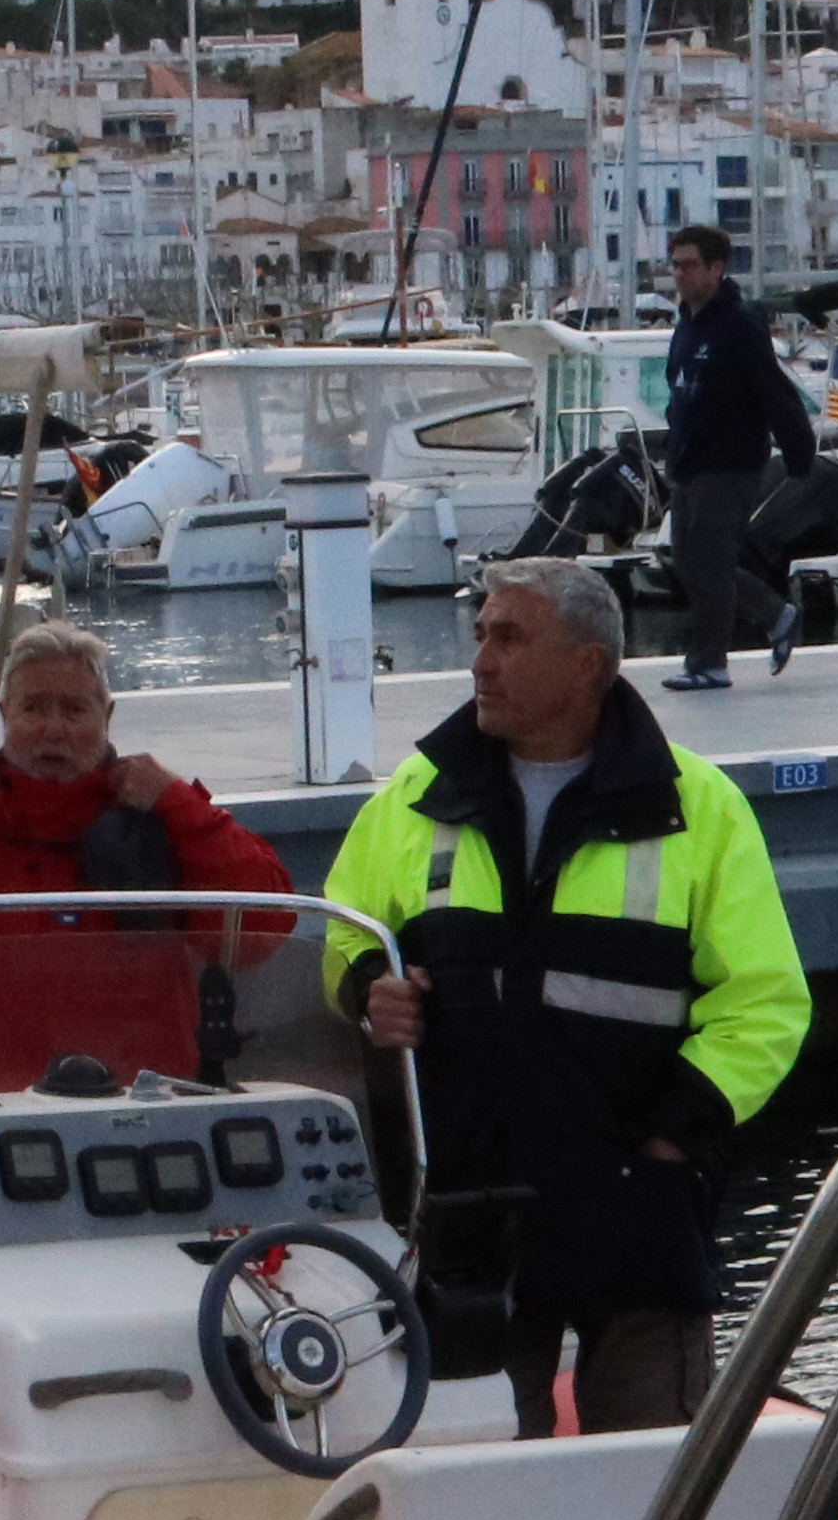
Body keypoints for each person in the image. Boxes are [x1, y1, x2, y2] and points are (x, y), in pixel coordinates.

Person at [319, 559, 809, 1435]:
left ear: (588, 665)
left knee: (648, 1476)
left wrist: (674, 1133)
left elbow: (764, 1003)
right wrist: (367, 990)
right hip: (468, 1208)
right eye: (481, 637)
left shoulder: (701, 809)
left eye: (508, 638)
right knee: (469, 1470)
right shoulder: (414, 797)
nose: (480, 661)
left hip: (635, 1211)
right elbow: (348, 931)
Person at [0, 616, 293, 1082]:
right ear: (4, 714)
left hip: (143, 1099)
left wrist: (180, 803)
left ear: (106, 718)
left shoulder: (166, 817)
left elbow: (262, 933)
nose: (53, 728)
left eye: (73, 710)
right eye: (34, 708)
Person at [654, 223, 822, 691]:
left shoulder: (739, 323)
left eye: (689, 265)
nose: (680, 274)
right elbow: (679, 391)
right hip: (691, 460)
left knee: (708, 557)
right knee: (687, 559)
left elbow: (775, 391)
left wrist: (798, 453)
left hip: (732, 460)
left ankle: (709, 663)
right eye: (676, 265)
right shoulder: (687, 323)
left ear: (716, 268)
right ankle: (778, 614)